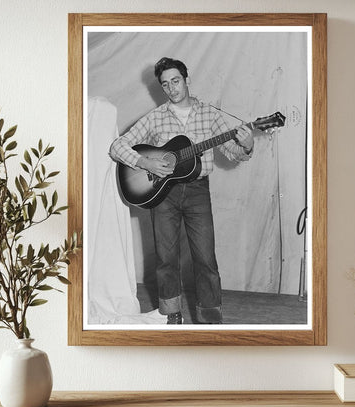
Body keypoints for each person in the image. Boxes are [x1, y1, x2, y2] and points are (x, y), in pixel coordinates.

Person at [109, 57, 258, 324]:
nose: (171, 89)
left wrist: (246, 145)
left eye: (175, 81)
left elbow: (232, 152)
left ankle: (210, 317)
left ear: (186, 80)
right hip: (163, 196)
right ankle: (171, 317)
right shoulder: (155, 118)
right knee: (166, 259)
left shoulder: (210, 114)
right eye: (165, 84)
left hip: (198, 192)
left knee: (205, 258)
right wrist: (145, 161)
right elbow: (117, 146)